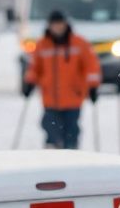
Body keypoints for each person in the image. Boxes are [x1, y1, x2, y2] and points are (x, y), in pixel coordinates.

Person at [22, 10, 101, 149]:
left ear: (65, 24)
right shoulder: (42, 45)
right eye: (54, 24)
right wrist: (29, 82)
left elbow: (91, 66)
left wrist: (93, 86)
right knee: (49, 126)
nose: (58, 27)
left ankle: (71, 152)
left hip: (73, 97)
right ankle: (53, 151)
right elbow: (34, 67)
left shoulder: (79, 43)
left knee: (71, 130)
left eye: (60, 24)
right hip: (50, 98)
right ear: (49, 26)